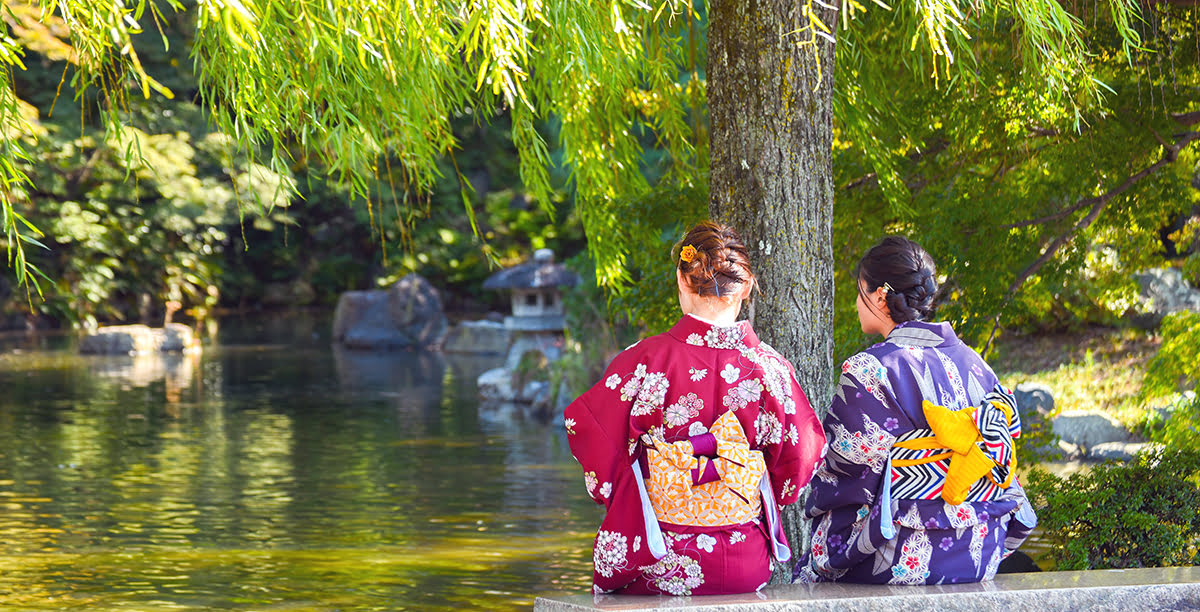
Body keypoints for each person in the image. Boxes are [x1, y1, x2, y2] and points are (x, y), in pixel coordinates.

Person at [564, 221, 826, 596]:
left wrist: (631, 488)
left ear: (682, 281)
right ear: (747, 286)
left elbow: (589, 431)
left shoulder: (643, 360)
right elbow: (802, 455)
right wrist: (747, 483)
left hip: (658, 554)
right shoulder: (771, 368)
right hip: (745, 558)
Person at [793, 236, 1038, 585]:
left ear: (879, 295)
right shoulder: (976, 364)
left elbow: (843, 474)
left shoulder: (870, 370)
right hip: (980, 546)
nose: (856, 303)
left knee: (806, 576)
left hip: (906, 550)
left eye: (860, 291)